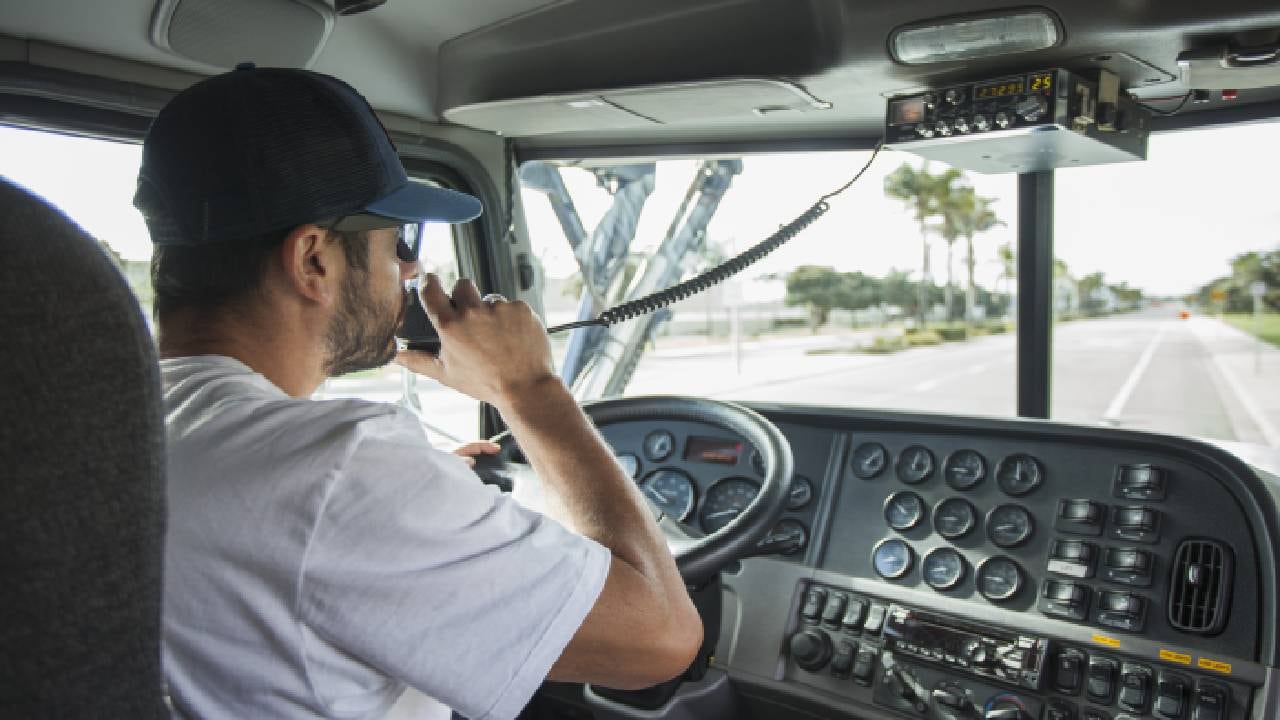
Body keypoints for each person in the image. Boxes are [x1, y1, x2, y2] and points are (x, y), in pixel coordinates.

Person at [136, 64, 701, 720]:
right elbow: (662, 638)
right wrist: (527, 386)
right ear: (313, 260)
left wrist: (427, 500)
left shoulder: (112, 418)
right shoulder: (342, 471)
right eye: (395, 241)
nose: (408, 268)